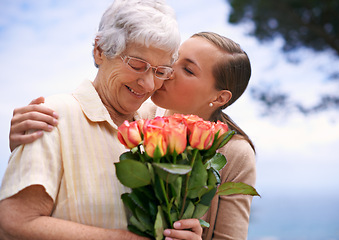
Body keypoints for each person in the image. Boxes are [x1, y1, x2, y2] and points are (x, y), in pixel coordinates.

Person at [8, 32, 257, 239]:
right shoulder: (137, 116)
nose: (169, 71)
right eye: (174, 59)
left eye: (188, 70)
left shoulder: (235, 152)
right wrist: (29, 142)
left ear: (219, 98)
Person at [0, 1, 202, 240]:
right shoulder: (52, 116)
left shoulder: (159, 125)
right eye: (137, 65)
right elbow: (16, 221)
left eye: (160, 72)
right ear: (100, 50)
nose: (149, 84)